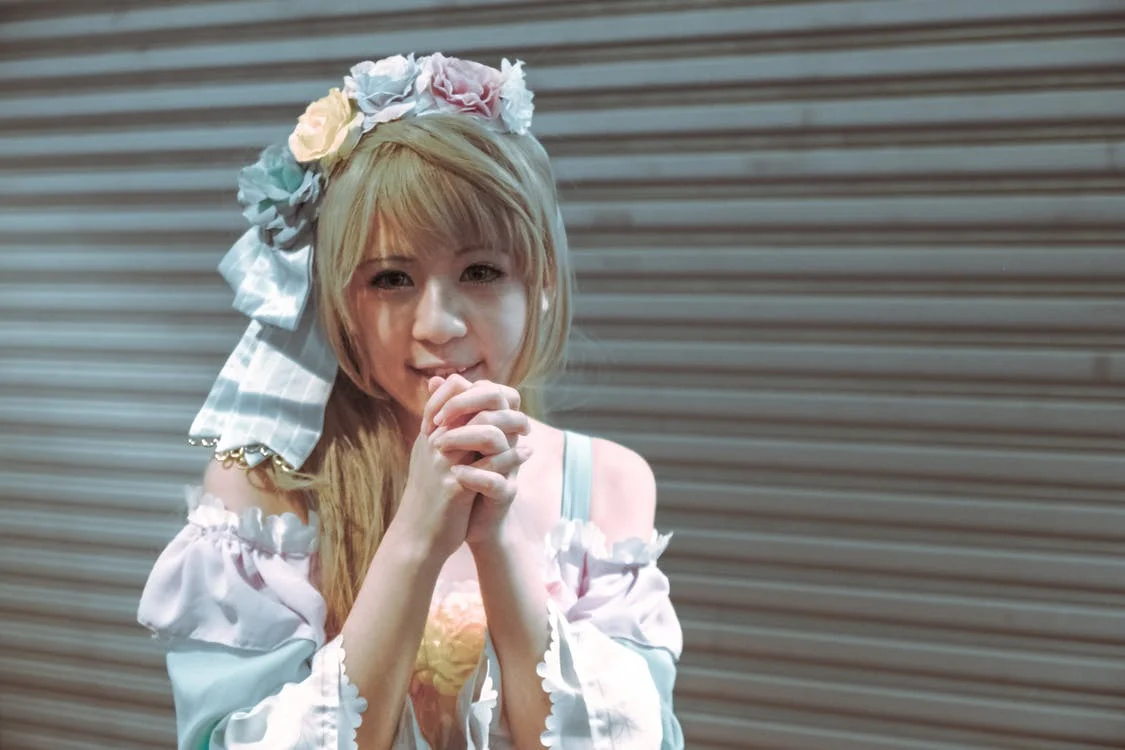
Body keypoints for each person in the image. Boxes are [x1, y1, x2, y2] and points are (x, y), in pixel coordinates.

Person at [137, 52, 684, 750]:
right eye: (391, 279)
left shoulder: (607, 483)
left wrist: (497, 539)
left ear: (541, 281)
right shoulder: (262, 495)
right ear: (336, 296)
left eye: (481, 271)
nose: (438, 325)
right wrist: (417, 534)